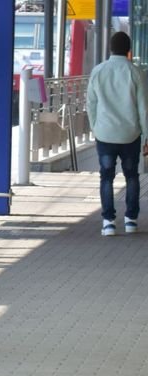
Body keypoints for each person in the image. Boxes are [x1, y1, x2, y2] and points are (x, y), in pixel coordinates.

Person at [87, 31, 146, 236]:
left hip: (105, 133)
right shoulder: (136, 72)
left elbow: (91, 104)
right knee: (131, 176)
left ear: (110, 48)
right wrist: (146, 136)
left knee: (106, 177)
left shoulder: (98, 71)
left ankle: (108, 222)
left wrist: (95, 127)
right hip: (130, 134)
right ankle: (131, 220)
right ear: (129, 50)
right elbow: (143, 109)